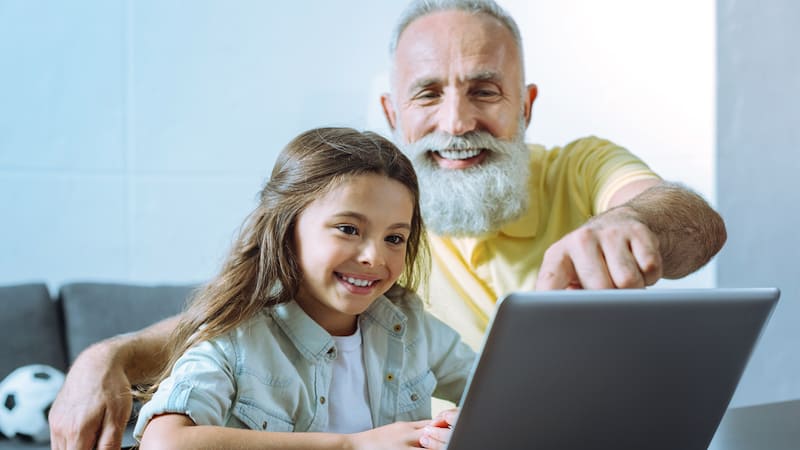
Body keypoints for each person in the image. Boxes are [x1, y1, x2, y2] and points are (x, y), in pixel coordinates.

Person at [49, 1, 726, 448]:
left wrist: (631, 222)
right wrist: (106, 356)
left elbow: (693, 222)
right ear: (392, 110)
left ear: (526, 104)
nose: (457, 122)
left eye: (485, 90)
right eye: (429, 92)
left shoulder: (578, 170)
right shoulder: (382, 204)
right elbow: (238, 317)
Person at [133, 127, 474, 450]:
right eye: (348, 229)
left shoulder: (409, 324)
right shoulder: (235, 339)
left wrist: (468, 424)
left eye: (394, 238)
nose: (374, 256)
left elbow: (505, 395)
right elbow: (164, 442)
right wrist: (352, 445)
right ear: (287, 228)